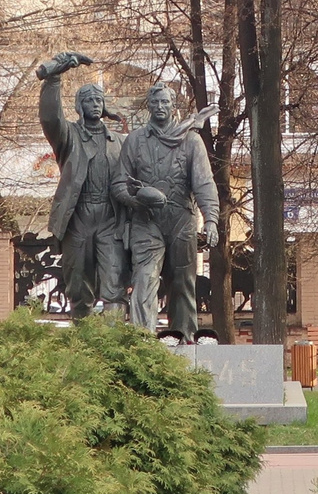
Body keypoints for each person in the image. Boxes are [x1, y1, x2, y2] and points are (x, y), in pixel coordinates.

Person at [115, 81, 220, 340]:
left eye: (165, 102)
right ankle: (143, 341)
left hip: (181, 220)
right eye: (155, 102)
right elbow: (118, 185)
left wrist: (211, 220)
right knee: (144, 278)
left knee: (183, 282)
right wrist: (140, 199)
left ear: (173, 106)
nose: (160, 106)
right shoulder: (135, 141)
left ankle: (184, 338)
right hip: (146, 221)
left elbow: (204, 183)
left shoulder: (192, 141)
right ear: (148, 106)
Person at [35, 51, 127, 318]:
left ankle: (115, 342)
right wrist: (53, 79)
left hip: (110, 219)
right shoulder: (70, 136)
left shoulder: (119, 141)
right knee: (78, 285)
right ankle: (84, 340)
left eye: (99, 100)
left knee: (114, 282)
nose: (95, 104)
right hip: (79, 217)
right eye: (88, 99)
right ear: (79, 106)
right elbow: (50, 119)